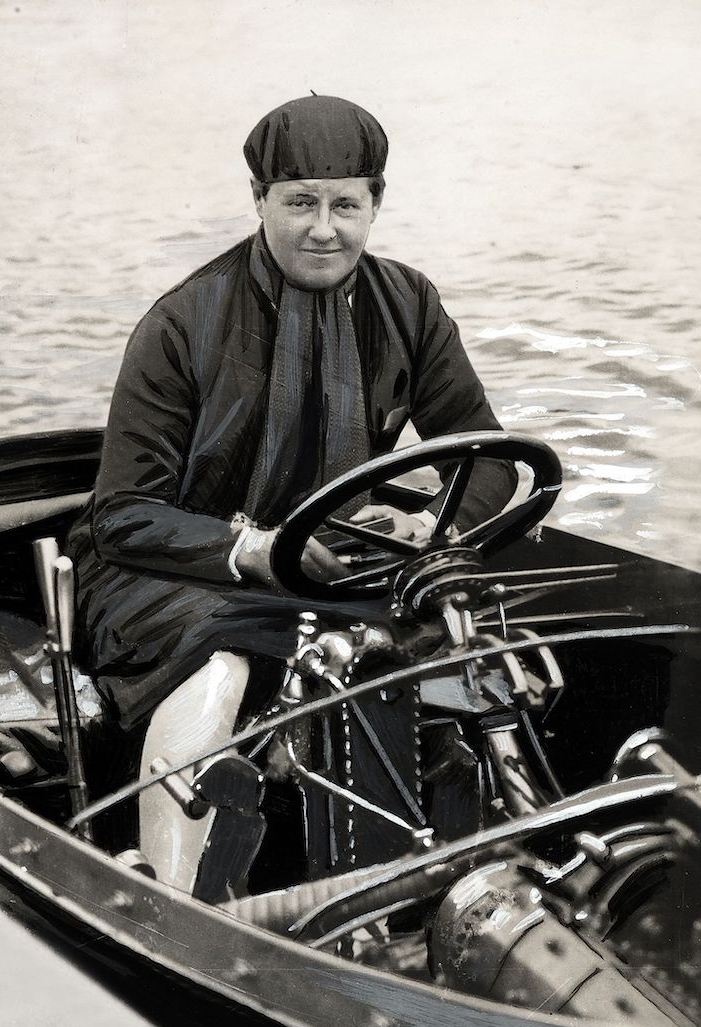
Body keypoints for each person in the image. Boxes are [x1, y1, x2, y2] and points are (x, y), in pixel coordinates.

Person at [67, 95, 515, 891]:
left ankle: (465, 860)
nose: (324, 228)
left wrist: (427, 534)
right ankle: (179, 902)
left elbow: (488, 460)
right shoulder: (180, 324)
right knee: (224, 669)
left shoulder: (409, 304)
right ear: (259, 201)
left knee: (492, 650)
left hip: (334, 563)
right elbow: (123, 515)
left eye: (347, 204)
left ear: (377, 204)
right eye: (300, 202)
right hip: (171, 573)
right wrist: (251, 549)